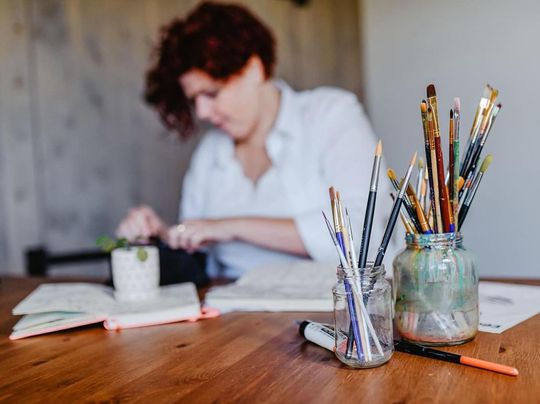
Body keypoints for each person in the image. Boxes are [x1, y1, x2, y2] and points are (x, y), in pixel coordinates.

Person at [117, 1, 396, 279]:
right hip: (235, 313)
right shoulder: (209, 153)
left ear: (254, 69)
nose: (202, 112)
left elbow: (363, 235)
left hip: (334, 309)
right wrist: (162, 235)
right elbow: (199, 256)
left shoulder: (332, 115)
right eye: (194, 100)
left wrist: (230, 227)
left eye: (212, 94)